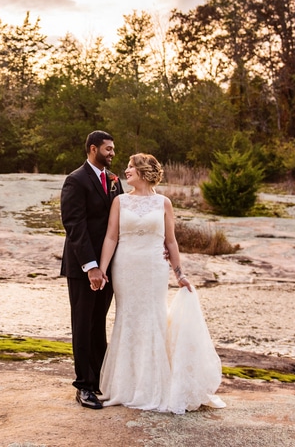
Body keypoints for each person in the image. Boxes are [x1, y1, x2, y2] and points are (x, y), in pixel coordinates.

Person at [98, 153, 225, 414]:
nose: (126, 170)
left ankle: (154, 385)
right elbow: (111, 237)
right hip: (125, 266)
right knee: (128, 317)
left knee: (153, 317)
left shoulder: (164, 203)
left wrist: (179, 274)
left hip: (154, 268)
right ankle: (126, 386)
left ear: (144, 171)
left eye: (131, 167)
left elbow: (171, 241)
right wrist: (102, 268)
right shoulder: (119, 201)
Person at [60, 130, 124, 409]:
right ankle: (83, 387)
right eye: (108, 149)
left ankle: (99, 382)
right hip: (83, 268)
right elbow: (74, 226)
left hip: (109, 266)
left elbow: (121, 221)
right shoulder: (75, 180)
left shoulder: (114, 181)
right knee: (83, 324)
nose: (112, 153)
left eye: (113, 149)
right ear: (93, 149)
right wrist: (92, 267)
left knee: (99, 323)